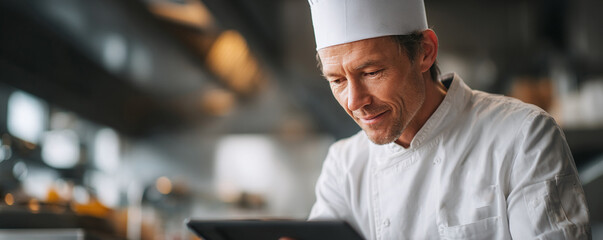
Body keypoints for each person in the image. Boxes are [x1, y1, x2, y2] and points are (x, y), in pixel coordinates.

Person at [305, 0, 591, 239]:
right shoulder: (343, 166)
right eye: (338, 80)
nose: (354, 101)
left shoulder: (524, 137)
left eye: (371, 72)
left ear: (425, 52)